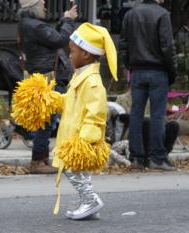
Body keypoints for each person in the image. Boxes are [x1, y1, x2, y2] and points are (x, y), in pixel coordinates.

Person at [52, 23, 118, 220]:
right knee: (77, 172)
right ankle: (87, 202)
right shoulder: (80, 76)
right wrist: (51, 101)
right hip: (72, 134)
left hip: (80, 138)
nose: (70, 55)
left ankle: (90, 200)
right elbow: (71, 101)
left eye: (72, 51)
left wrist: (85, 138)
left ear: (86, 54)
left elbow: (97, 112)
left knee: (72, 170)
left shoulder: (92, 81)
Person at [18, 0, 77, 174]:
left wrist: (63, 21)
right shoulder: (35, 26)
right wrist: (67, 21)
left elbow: (50, 37)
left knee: (46, 120)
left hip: (41, 75)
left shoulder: (28, 24)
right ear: (34, 6)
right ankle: (37, 161)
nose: (45, 6)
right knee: (47, 121)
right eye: (42, 4)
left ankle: (41, 158)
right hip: (47, 77)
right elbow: (60, 40)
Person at [120, 0, 178, 170]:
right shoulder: (162, 14)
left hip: (137, 71)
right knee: (157, 115)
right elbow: (167, 46)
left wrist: (129, 66)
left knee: (136, 114)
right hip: (158, 71)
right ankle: (157, 157)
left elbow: (123, 45)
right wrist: (172, 71)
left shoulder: (130, 14)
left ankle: (136, 158)